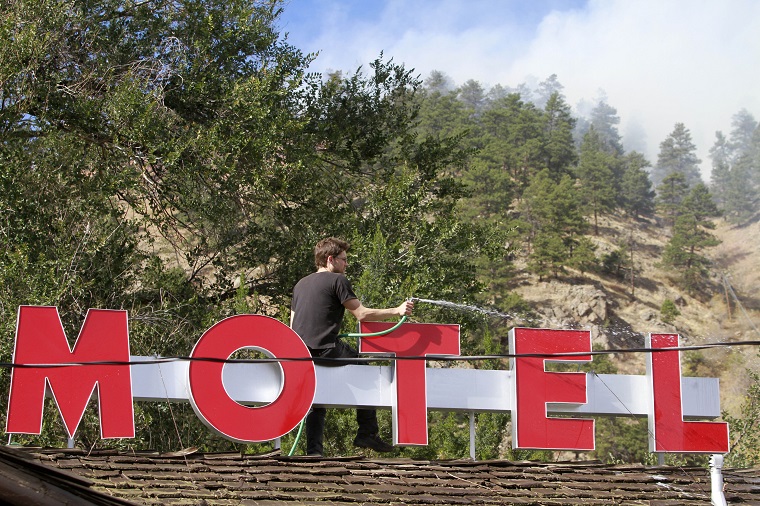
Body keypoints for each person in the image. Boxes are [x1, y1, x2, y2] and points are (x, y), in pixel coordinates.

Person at [290, 237, 414, 457]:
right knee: (364, 368)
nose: (346, 265)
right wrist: (397, 310)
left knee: (316, 400)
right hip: (325, 349)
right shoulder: (338, 280)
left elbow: (292, 324)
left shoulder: (299, 284)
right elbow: (361, 314)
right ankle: (367, 432)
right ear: (330, 260)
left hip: (301, 353)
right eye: (344, 260)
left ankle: (314, 452)